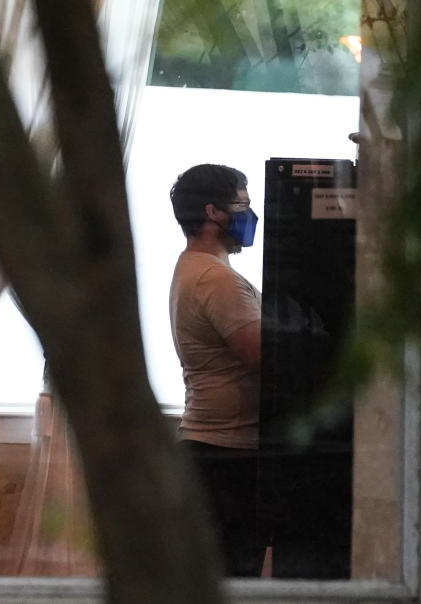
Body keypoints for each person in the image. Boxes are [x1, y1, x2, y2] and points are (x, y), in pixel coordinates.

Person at [168, 163, 265, 577]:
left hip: (213, 451)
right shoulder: (216, 280)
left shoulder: (193, 266)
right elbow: (263, 355)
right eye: (242, 204)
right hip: (224, 455)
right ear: (214, 213)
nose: (249, 215)